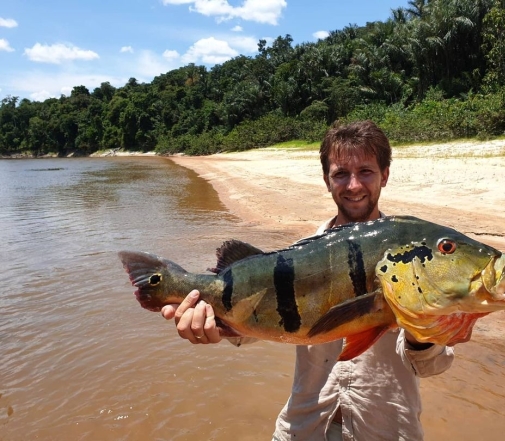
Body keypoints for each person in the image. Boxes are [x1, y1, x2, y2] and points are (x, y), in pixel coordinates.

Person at [161, 120, 456, 441]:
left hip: (387, 431)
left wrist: (423, 334)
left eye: (366, 172)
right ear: (327, 181)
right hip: (303, 430)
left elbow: (430, 365)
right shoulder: (298, 256)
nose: (354, 185)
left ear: (385, 175)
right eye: (341, 173)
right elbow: (257, 325)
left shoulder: (416, 256)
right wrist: (212, 326)